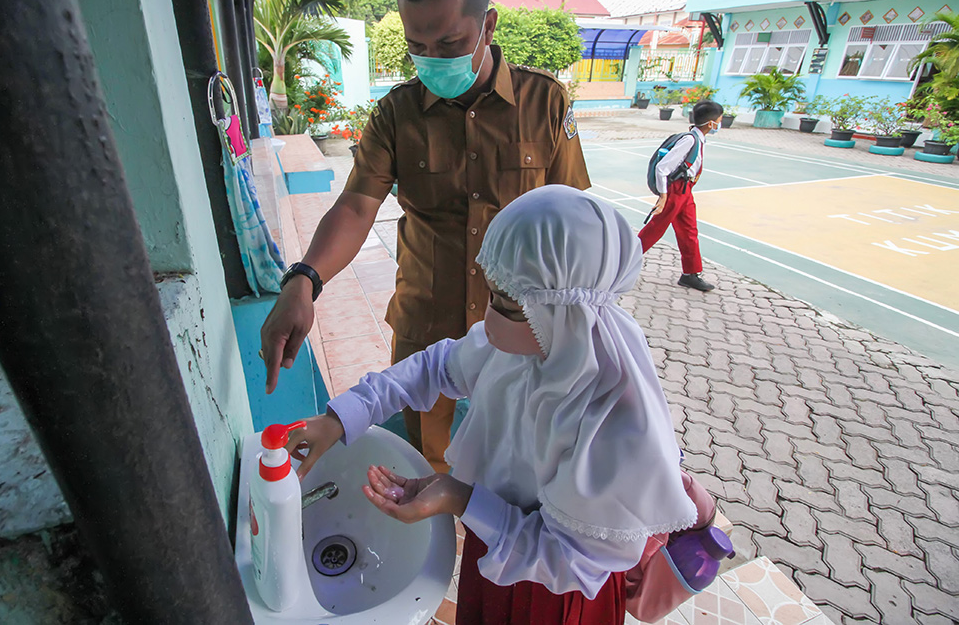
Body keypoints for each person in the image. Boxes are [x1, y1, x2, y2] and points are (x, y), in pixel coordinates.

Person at [285, 186, 697, 625]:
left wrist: (463, 499)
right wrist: (343, 415)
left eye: (506, 301)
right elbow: (436, 366)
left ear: (561, 312)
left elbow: (573, 560)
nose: (487, 314)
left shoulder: (612, 420)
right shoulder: (525, 349)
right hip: (497, 552)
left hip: (555, 599)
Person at [259, 0, 590, 472]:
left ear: (488, 25)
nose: (432, 60)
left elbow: (575, 220)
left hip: (524, 327)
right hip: (426, 326)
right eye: (419, 45)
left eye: (450, 42)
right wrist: (304, 280)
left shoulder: (544, 103)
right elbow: (356, 207)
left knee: (524, 467)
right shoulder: (396, 115)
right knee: (424, 470)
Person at [637, 99, 723, 292]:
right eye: (719, 120)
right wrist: (664, 195)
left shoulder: (699, 138)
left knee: (689, 231)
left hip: (686, 190)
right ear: (711, 123)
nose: (720, 123)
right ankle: (619, 264)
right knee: (654, 229)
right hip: (675, 190)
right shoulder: (689, 140)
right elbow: (662, 168)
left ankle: (691, 274)